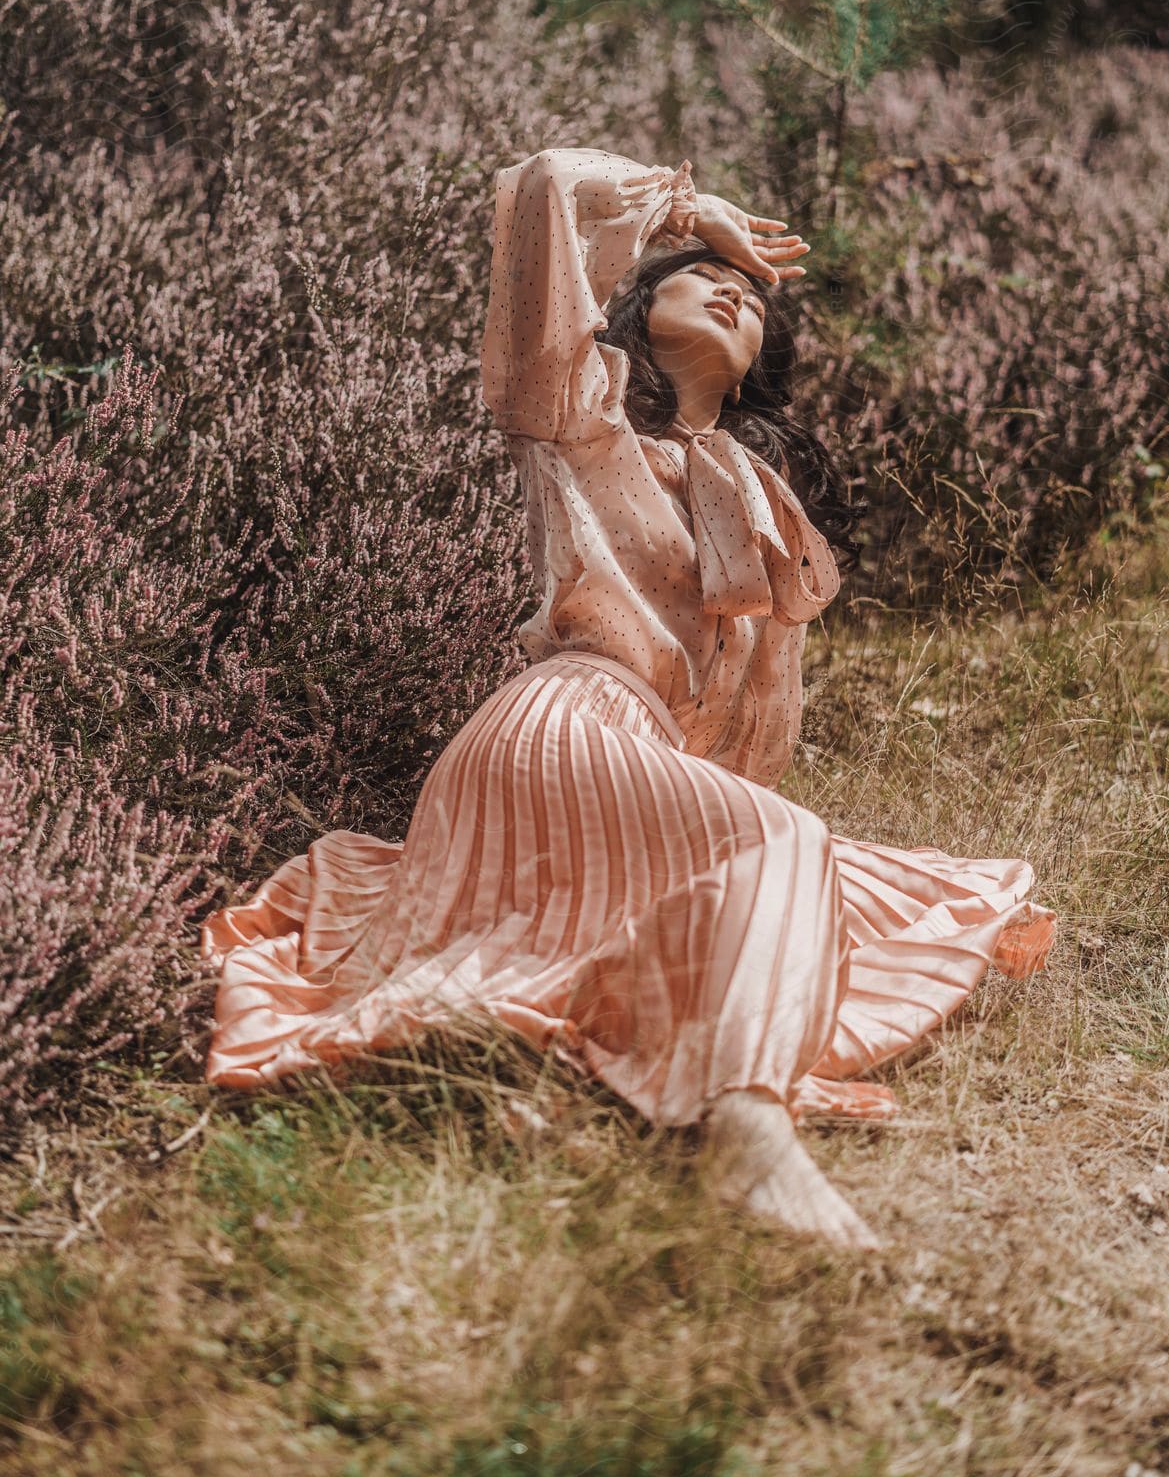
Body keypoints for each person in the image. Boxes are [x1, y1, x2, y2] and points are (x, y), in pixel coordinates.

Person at [201, 146, 1056, 1249]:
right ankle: (742, 1131)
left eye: (748, 298)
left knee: (862, 880)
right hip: (562, 721)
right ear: (635, 317)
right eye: (699, 279)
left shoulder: (759, 505)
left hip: (654, 765)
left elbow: (740, 728)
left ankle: (632, 1059)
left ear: (753, 368)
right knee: (786, 844)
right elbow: (546, 185)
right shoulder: (583, 422)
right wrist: (690, 211)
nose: (735, 288)